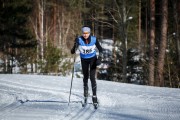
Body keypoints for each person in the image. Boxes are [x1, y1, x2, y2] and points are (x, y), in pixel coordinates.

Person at [71, 26, 103, 107]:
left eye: (87, 33)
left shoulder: (94, 39)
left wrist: (100, 58)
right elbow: (72, 52)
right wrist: (75, 45)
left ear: (89, 33)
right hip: (84, 60)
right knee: (85, 76)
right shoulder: (79, 40)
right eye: (84, 33)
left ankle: (94, 96)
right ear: (82, 33)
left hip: (93, 59)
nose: (85, 35)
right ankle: (85, 92)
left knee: (92, 77)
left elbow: (100, 49)